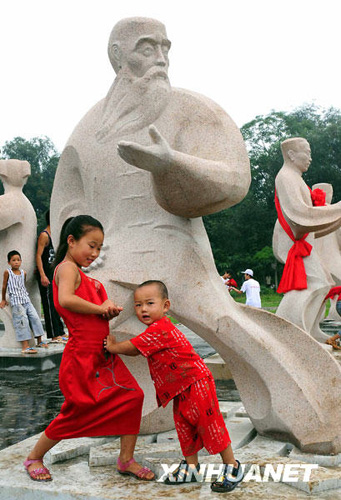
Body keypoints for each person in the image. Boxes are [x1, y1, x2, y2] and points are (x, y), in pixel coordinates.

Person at [23, 215, 153, 483]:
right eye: (91, 245)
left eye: (99, 248)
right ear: (71, 241)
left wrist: (108, 311)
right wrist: (100, 308)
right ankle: (34, 457)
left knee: (133, 397)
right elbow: (66, 299)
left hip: (104, 355)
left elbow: (95, 310)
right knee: (76, 410)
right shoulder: (66, 268)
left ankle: (126, 459)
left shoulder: (88, 279)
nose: (94, 253)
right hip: (82, 356)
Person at [105, 280, 244, 493]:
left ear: (165, 306)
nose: (143, 309)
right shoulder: (155, 330)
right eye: (138, 305)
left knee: (209, 423)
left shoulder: (160, 329)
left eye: (150, 303)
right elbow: (138, 348)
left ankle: (232, 466)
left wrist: (113, 347)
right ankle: (191, 467)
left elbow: (133, 347)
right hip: (180, 387)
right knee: (184, 426)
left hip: (196, 382)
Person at [0, 250, 47, 353]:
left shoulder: (23, 273)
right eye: (13, 260)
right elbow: (4, 287)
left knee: (35, 318)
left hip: (26, 300)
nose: (16, 262)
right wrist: (3, 299)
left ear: (21, 261)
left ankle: (39, 341)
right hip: (16, 302)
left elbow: (23, 285)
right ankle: (25, 347)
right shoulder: (7, 272)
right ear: (9, 262)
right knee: (22, 321)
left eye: (18, 260)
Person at [36, 210, 66, 343]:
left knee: (55, 304)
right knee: (48, 304)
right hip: (45, 275)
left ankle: (60, 332)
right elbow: (38, 256)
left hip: (53, 275)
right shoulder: (44, 235)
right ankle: (54, 335)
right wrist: (42, 275)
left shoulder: (56, 235)